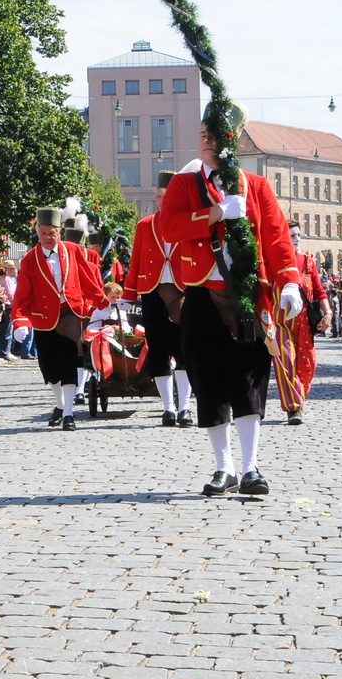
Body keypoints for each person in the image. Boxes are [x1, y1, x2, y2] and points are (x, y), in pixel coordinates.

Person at [158, 102, 303, 497]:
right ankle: (223, 467)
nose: (205, 139)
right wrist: (215, 212)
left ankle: (251, 467)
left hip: (248, 295)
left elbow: (276, 239)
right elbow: (168, 226)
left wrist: (290, 283)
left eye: (214, 134)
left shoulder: (256, 186)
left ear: (231, 141)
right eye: (202, 133)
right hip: (203, 295)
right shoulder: (185, 184)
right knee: (208, 379)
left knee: (249, 380)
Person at [11, 208, 107, 432]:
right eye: (43, 233)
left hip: (69, 312)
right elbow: (23, 294)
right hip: (43, 318)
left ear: (59, 232)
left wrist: (102, 303)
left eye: (52, 233)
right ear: (38, 232)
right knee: (49, 367)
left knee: (68, 360)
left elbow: (87, 278)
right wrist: (20, 320)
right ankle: (61, 405)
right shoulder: (29, 260)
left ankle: (69, 414)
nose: (48, 238)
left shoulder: (72, 250)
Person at [126, 173, 193, 427]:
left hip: (181, 290)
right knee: (158, 349)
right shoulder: (145, 225)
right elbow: (137, 260)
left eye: (165, 197)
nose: (160, 202)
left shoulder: (187, 224)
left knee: (184, 349)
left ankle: (185, 407)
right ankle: (168, 408)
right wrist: (129, 293)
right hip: (152, 290)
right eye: (157, 197)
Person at [273, 221, 327, 424]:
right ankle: (293, 407)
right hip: (281, 320)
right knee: (285, 361)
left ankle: (299, 395)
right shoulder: (274, 260)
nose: (297, 240)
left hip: (304, 321)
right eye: (292, 236)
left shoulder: (307, 262)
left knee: (307, 363)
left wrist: (328, 312)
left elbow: (319, 290)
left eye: (298, 235)